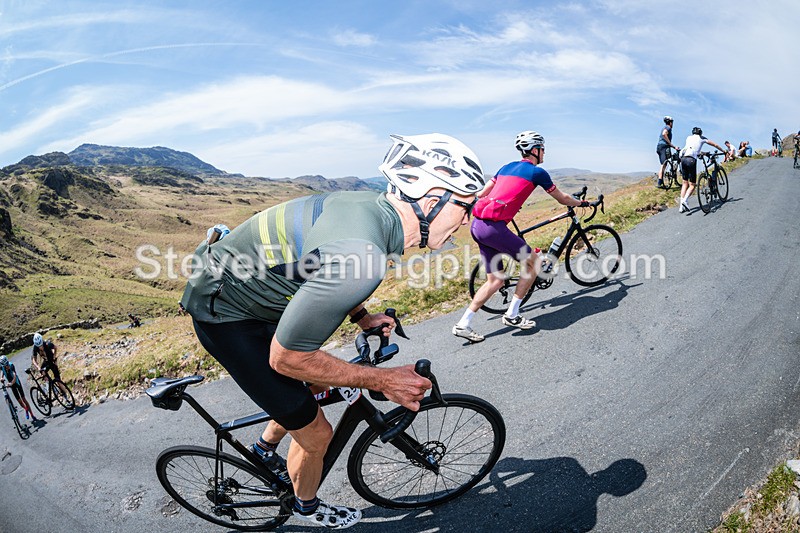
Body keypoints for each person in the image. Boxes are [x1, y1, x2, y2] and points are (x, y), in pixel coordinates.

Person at [180, 133, 485, 529]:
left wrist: (362, 317)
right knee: (316, 433)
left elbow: (318, 264)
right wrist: (383, 379)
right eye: (464, 206)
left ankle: (265, 446)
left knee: (312, 381)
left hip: (244, 293)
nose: (468, 219)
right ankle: (307, 508)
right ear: (431, 200)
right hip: (226, 320)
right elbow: (286, 357)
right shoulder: (365, 257)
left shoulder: (371, 208)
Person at [452, 131, 590, 342]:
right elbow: (562, 199)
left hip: (478, 225)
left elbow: (482, 194)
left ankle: (463, 324)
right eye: (542, 149)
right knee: (534, 263)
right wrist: (581, 203)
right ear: (535, 150)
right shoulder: (537, 172)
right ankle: (512, 314)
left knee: (495, 281)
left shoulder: (505, 167)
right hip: (494, 228)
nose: (544, 153)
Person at [677, 127, 726, 213]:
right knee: (692, 185)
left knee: (685, 183)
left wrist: (703, 153)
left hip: (683, 159)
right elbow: (714, 145)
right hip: (691, 160)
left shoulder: (688, 138)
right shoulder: (702, 138)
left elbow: (693, 148)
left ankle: (681, 207)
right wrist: (723, 151)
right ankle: (685, 200)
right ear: (700, 133)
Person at [0, 355, 37, 421]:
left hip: (16, 383)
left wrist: (11, 383)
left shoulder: (11, 365)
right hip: (11, 385)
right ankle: (26, 409)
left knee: (24, 399)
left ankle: (32, 414)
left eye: (7, 364)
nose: (6, 366)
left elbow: (14, 375)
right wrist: (1, 377)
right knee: (20, 402)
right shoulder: (2, 366)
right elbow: (2, 370)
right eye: (5, 365)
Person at [656, 116, 680, 187]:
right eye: (672, 123)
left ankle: (663, 180)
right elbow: (664, 134)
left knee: (665, 163)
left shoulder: (664, 127)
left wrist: (672, 146)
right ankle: (660, 183)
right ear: (670, 123)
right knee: (663, 165)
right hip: (664, 147)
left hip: (659, 147)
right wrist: (670, 144)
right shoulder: (668, 128)